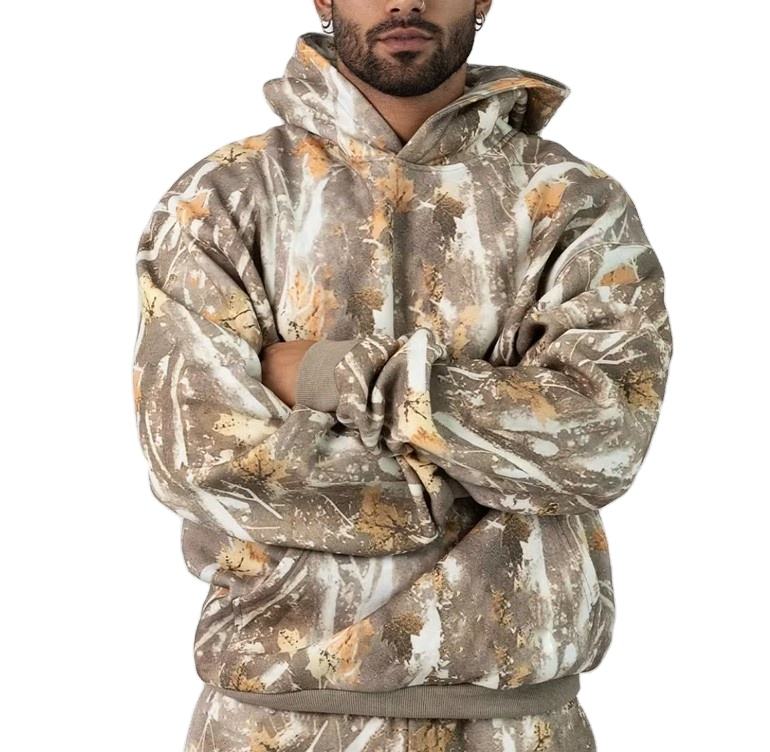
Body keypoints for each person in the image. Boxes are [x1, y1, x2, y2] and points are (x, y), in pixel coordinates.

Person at [131, 1, 672, 749]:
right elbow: (198, 458)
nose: (405, 1)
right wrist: (479, 480)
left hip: (517, 728)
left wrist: (331, 375)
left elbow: (604, 439)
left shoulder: (573, 203)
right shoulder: (224, 200)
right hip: (275, 728)